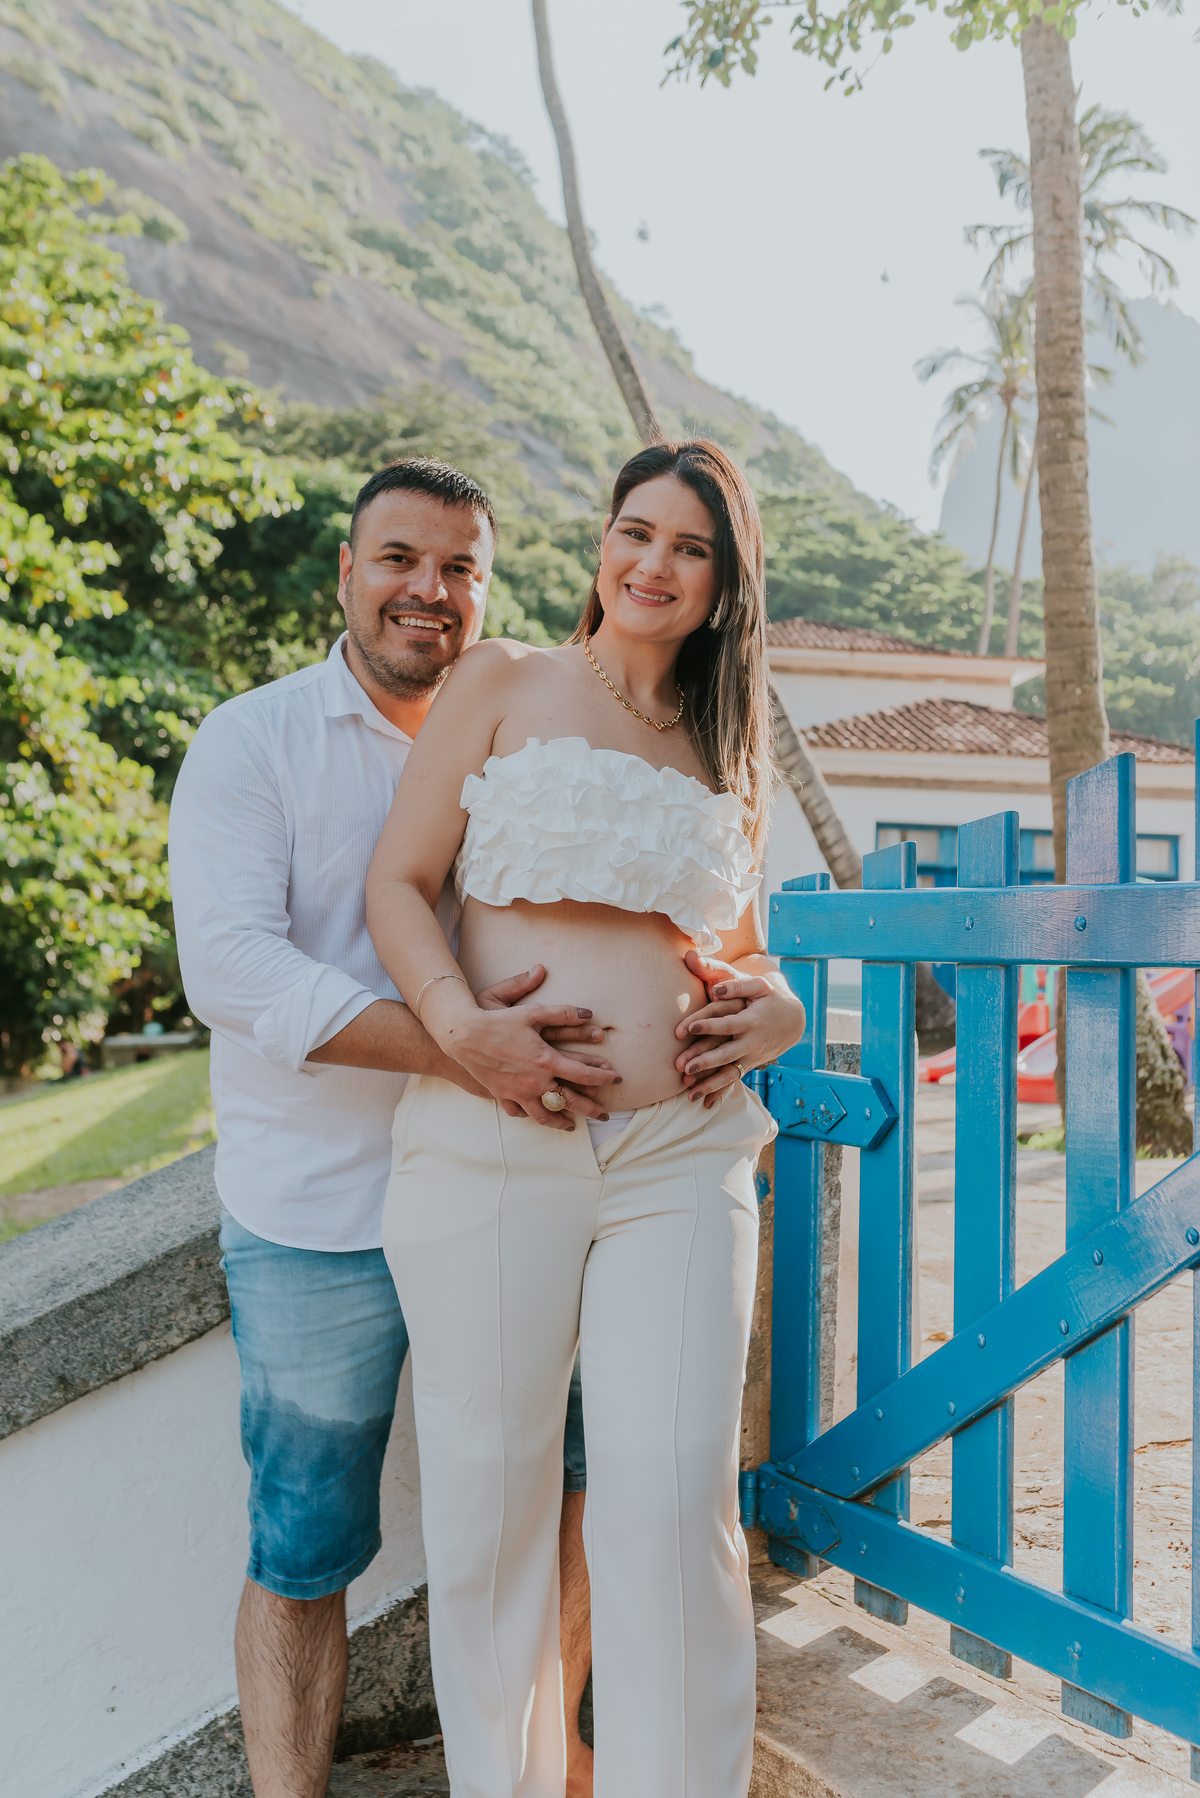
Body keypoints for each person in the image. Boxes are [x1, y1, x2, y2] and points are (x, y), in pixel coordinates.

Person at [169, 459, 633, 1798]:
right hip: (320, 1211)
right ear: (347, 571)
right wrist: (467, 1044)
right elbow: (236, 972)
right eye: (401, 559)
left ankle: (542, 1757)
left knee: (585, 1476)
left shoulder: (543, 734)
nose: (431, 589)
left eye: (462, 566)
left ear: (491, 584)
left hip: (524, 1181)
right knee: (306, 1542)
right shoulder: (252, 742)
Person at [366, 440, 807, 1796]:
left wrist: (780, 1012)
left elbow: (745, 949)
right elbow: (398, 882)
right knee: (493, 1509)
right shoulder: (503, 680)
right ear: (600, 543)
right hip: (499, 1137)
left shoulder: (729, 744)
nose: (653, 564)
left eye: (689, 546)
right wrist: (464, 1032)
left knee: (675, 1495)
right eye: (635, 531)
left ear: (725, 583)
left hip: (682, 1150)